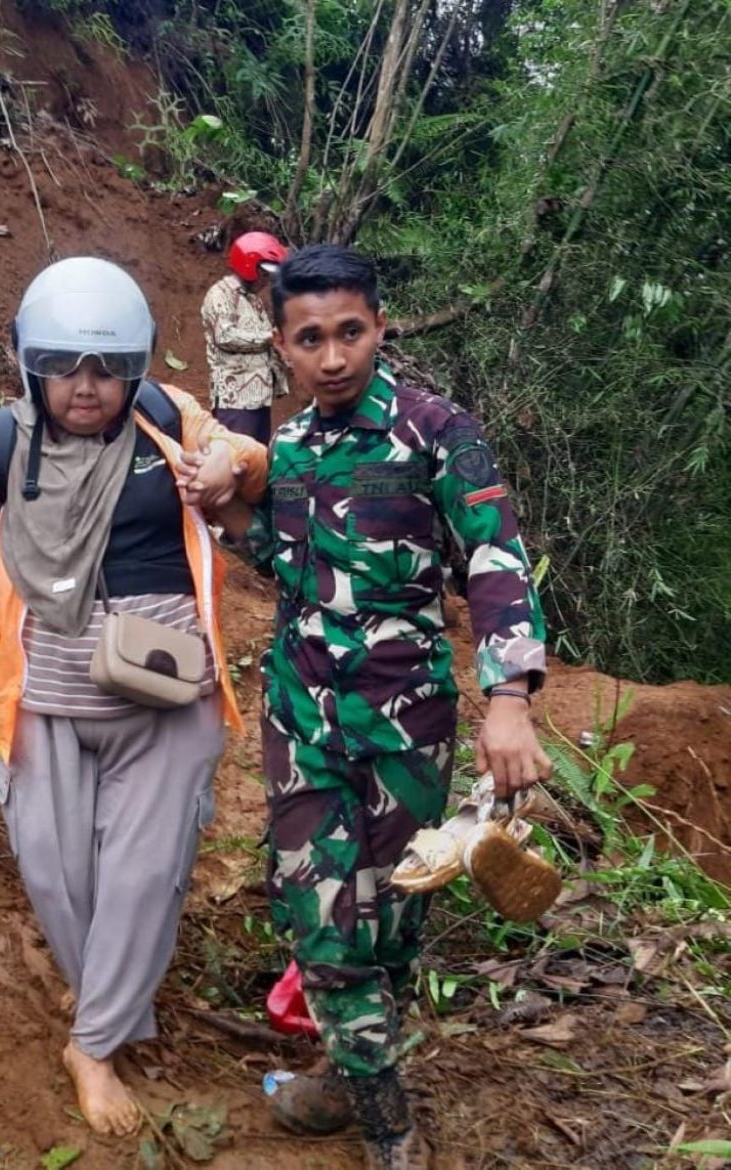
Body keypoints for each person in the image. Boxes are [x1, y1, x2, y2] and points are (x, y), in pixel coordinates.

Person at [0, 257, 267, 1136]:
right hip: (43, 694)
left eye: (109, 368)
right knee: (54, 864)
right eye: (65, 367)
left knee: (144, 870)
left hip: (165, 696)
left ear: (137, 367)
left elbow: (243, 455)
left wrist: (228, 469)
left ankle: (93, 1043)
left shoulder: (165, 419)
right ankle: (110, 1000)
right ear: (30, 364)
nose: (87, 388)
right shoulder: (4, 441)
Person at [201, 244, 550, 1169]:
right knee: (319, 911)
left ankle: (341, 1073)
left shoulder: (439, 431)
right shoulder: (293, 447)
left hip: (410, 717)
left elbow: (494, 559)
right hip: (303, 713)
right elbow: (287, 568)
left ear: (380, 328)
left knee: (392, 919)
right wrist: (226, 514)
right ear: (280, 345)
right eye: (309, 339)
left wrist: (508, 697)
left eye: (349, 332)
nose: (332, 357)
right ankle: (390, 1123)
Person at [201, 230, 290, 446]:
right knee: (236, 457)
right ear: (250, 265)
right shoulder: (220, 294)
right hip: (235, 398)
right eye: (264, 272)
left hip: (258, 397)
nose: (266, 279)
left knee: (257, 457)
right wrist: (269, 338)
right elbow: (225, 336)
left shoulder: (253, 301)